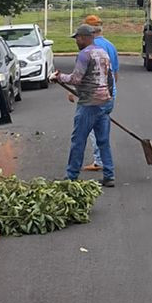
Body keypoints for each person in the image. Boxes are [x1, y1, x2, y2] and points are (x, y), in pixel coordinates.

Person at [55, 24, 115, 186]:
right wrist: (108, 98)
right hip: (104, 101)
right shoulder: (103, 53)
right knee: (103, 141)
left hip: (89, 103)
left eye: (78, 38)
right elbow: (110, 78)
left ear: (86, 37)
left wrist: (59, 77)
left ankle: (72, 176)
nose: (77, 41)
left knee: (78, 140)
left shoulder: (84, 54)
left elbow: (76, 79)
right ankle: (109, 175)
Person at [82, 14, 119, 171]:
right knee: (102, 126)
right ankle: (105, 164)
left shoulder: (90, 48)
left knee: (91, 127)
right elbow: (115, 73)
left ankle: (99, 161)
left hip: (95, 93)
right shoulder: (110, 46)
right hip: (110, 91)